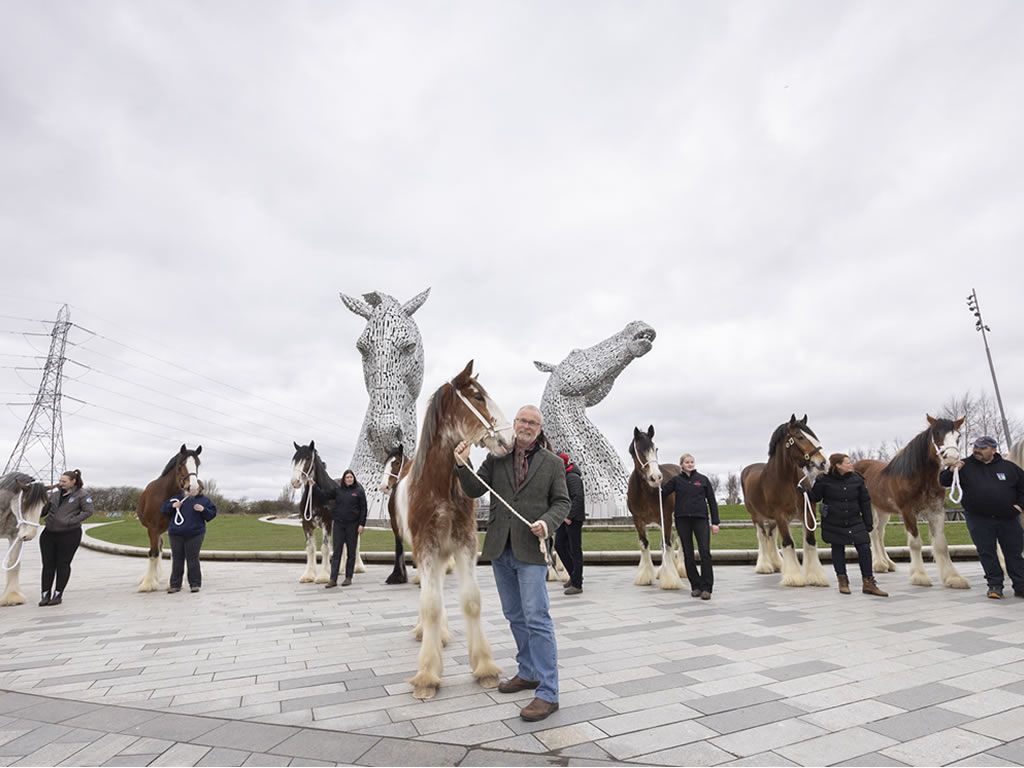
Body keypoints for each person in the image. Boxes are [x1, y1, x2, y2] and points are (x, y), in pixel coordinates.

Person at [454, 404, 569, 723]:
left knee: (537, 617)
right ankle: (528, 671)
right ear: (514, 423)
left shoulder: (552, 463)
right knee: (514, 615)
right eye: (522, 420)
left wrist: (547, 523)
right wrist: (462, 465)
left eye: (533, 422)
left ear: (539, 428)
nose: (526, 426)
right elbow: (475, 489)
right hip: (500, 549)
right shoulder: (496, 457)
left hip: (530, 550)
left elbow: (563, 502)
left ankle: (548, 691)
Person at [940, 436, 1024, 599]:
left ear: (993, 450)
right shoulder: (963, 466)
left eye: (982, 448)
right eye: (975, 447)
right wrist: (951, 470)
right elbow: (943, 481)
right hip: (979, 519)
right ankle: (995, 586)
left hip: (1008, 518)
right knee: (987, 553)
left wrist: (1019, 506)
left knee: (1014, 553)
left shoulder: (1009, 468)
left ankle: (1021, 586)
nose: (977, 450)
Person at [807, 453, 887, 597]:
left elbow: (865, 502)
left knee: (864, 548)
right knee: (838, 549)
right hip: (834, 522)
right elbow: (815, 497)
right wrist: (805, 490)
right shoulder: (823, 480)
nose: (851, 465)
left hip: (855, 521)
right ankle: (842, 581)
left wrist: (868, 523)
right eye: (848, 463)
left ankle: (868, 583)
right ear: (838, 465)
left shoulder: (857, 479)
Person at [661, 454, 719, 600]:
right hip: (683, 520)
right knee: (688, 554)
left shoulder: (703, 480)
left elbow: (712, 501)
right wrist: (656, 484)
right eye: (687, 462)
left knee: (705, 552)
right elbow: (662, 494)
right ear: (681, 464)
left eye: (692, 462)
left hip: (701, 520)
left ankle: (707, 588)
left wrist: (715, 523)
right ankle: (696, 586)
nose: (690, 464)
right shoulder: (676, 480)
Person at [38, 469, 94, 606]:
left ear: (73, 481)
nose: (60, 483)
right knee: (47, 565)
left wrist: (71, 521)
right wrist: (42, 501)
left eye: (64, 481)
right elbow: (43, 512)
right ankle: (45, 594)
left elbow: (89, 511)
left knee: (62, 564)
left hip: (69, 534)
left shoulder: (82, 495)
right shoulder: (55, 495)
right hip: (49, 534)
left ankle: (58, 594)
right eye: (60, 481)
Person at [160, 483, 217, 593]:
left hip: (195, 534)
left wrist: (203, 510)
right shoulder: (177, 498)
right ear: (186, 488)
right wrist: (172, 506)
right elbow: (163, 509)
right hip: (176, 534)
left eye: (196, 488)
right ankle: (175, 585)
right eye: (190, 487)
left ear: (200, 489)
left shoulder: (204, 500)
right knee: (177, 559)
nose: (193, 490)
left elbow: (211, 515)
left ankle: (195, 584)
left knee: (192, 559)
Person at [322, 470, 367, 588]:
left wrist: (362, 524)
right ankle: (333, 579)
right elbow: (324, 495)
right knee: (337, 552)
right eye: (347, 477)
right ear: (344, 479)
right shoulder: (338, 490)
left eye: (351, 477)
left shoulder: (359, 491)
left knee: (351, 553)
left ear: (354, 478)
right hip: (339, 525)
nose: (349, 479)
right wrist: (314, 486)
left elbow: (363, 508)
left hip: (353, 525)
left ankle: (348, 577)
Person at [554, 451, 585, 595]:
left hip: (572, 519)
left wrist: (569, 516)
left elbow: (578, 498)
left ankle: (577, 584)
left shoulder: (572, 477)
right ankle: (574, 575)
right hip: (564, 518)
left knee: (575, 549)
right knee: (559, 545)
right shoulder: (564, 475)